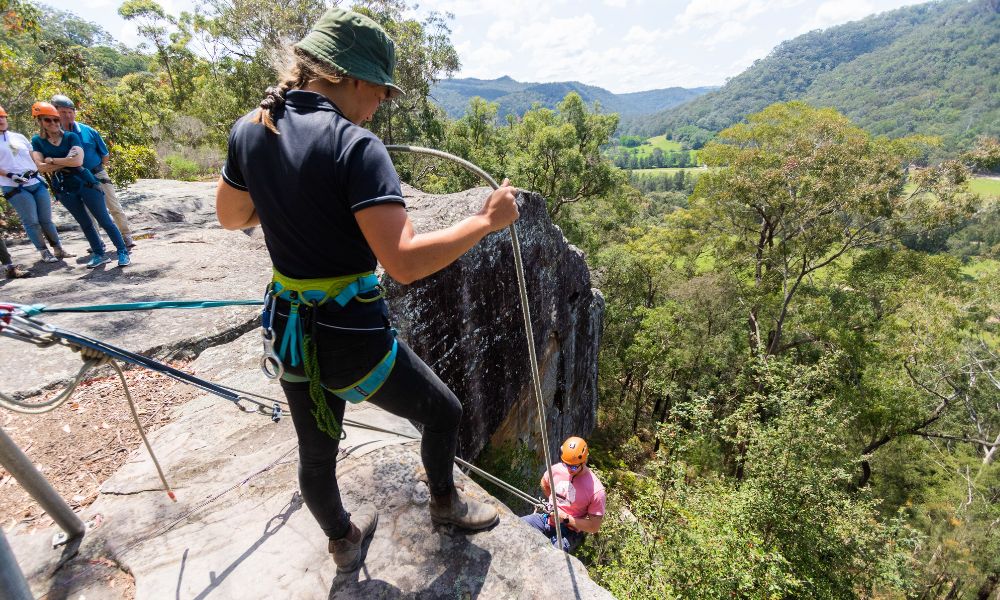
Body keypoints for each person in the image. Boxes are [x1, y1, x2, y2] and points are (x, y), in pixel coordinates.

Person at [215, 7, 519, 574]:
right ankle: (446, 506)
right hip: (351, 337)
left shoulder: (252, 129)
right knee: (444, 411)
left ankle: (343, 540)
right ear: (350, 77)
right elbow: (401, 262)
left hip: (290, 330)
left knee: (316, 453)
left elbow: (232, 216)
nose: (382, 101)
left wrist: (289, 195)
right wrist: (486, 221)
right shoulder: (356, 147)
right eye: (381, 89)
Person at [30, 102, 130, 268]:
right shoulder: (37, 141)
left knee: (104, 219)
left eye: (56, 120)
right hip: (63, 186)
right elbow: (40, 167)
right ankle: (99, 254)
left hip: (85, 181)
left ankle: (122, 251)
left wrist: (52, 160)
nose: (54, 123)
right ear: (39, 121)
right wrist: (65, 162)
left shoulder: (70, 137)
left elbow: (78, 160)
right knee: (85, 223)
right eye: (48, 120)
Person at [50, 94, 135, 248]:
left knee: (113, 205)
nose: (68, 115)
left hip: (97, 173)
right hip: (75, 178)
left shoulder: (87, 130)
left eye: (70, 111)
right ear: (55, 113)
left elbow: (105, 154)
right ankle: (98, 242)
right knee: (89, 212)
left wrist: (97, 170)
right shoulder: (54, 136)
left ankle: (126, 235)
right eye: (63, 112)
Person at [1, 103, 75, 264]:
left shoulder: (18, 137)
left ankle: (58, 249)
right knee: (31, 221)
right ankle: (44, 251)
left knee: (46, 219)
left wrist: (43, 166)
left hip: (34, 180)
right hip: (14, 186)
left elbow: (33, 155)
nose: (1, 120)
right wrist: (11, 175)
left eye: (3, 117)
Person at [521, 436, 606, 552]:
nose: (569, 469)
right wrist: (553, 502)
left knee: (552, 555)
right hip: (547, 519)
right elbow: (544, 483)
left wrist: (565, 518)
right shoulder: (556, 470)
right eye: (566, 464)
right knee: (517, 525)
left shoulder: (596, 490)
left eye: (574, 466)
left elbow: (594, 527)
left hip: (570, 531)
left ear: (584, 461)